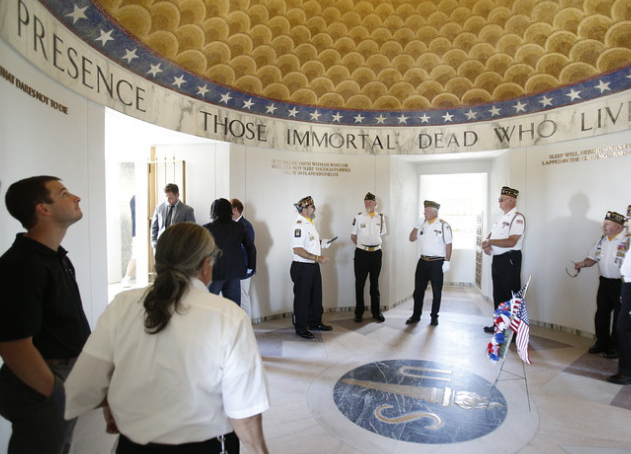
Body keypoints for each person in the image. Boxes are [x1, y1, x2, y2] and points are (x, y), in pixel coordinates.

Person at [64, 223, 270, 454]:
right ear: (205, 265)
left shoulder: (122, 305)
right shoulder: (228, 316)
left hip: (133, 446)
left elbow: (86, 384)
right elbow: (244, 413)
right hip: (207, 444)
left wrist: (115, 405)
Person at [0, 176, 91, 454]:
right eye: (63, 193)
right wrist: (53, 392)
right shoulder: (22, 265)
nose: (76, 197)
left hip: (62, 376)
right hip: (42, 381)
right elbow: (13, 344)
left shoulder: (55, 257)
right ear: (44, 209)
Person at [573, 211, 628, 358]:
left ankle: (614, 346)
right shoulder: (602, 240)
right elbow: (593, 257)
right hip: (604, 283)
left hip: (621, 285)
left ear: (618, 227)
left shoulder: (626, 242)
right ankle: (601, 343)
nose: (603, 226)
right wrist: (583, 263)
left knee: (619, 316)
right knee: (601, 314)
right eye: (604, 223)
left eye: (607, 223)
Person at [481, 186, 526, 333]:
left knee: (511, 296)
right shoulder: (501, 219)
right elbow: (490, 237)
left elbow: (511, 241)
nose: (499, 201)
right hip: (498, 260)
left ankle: (515, 331)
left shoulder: (517, 218)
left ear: (511, 200)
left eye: (502, 199)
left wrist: (490, 243)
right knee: (499, 294)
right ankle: (499, 326)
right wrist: (486, 244)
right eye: (499, 198)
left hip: (510, 259)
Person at [290, 196, 334, 339]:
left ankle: (315, 322)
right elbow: (297, 249)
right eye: (312, 207)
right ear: (304, 209)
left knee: (316, 296)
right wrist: (318, 258)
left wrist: (322, 243)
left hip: (312, 266)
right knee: (302, 299)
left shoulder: (309, 223)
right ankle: (301, 327)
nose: (314, 209)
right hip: (303, 267)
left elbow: (309, 243)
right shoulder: (299, 225)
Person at [406, 200, 452, 326]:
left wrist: (447, 261)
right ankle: (416, 315)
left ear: (434, 212)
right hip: (423, 261)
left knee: (436, 292)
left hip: (437, 262)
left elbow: (448, 244)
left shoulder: (443, 225)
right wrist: (416, 226)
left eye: (426, 211)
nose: (424, 213)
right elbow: (411, 238)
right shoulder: (422, 224)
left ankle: (434, 316)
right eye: (424, 210)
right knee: (418, 291)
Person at [204, 198, 256, 306]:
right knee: (234, 308)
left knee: (209, 305)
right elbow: (251, 248)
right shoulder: (239, 227)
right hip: (234, 272)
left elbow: (201, 251)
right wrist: (250, 267)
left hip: (215, 272)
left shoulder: (207, 228)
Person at [351, 192, 387, 323]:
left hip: (376, 253)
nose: (368, 204)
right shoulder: (359, 217)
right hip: (362, 253)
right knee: (360, 284)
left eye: (370, 202)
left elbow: (381, 234)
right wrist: (363, 247)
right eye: (366, 202)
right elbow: (353, 237)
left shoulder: (381, 218)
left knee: (374, 283)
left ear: (375, 204)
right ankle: (359, 312)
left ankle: (376, 312)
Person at [610, 205, 631, 384]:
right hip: (626, 285)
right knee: (623, 328)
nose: (627, 223)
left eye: (629, 219)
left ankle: (626, 372)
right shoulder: (629, 239)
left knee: (625, 329)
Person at [150, 183, 196, 249]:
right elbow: (154, 227)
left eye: (170, 198)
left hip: (178, 249)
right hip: (160, 247)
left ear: (177, 195)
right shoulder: (159, 208)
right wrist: (154, 243)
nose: (168, 200)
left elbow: (192, 231)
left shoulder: (187, 210)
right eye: (166, 197)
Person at [231, 198, 256, 319]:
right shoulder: (233, 225)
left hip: (244, 268)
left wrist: (249, 268)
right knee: (237, 297)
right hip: (235, 268)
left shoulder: (245, 226)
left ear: (235, 209)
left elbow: (249, 249)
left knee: (243, 297)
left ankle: (248, 326)